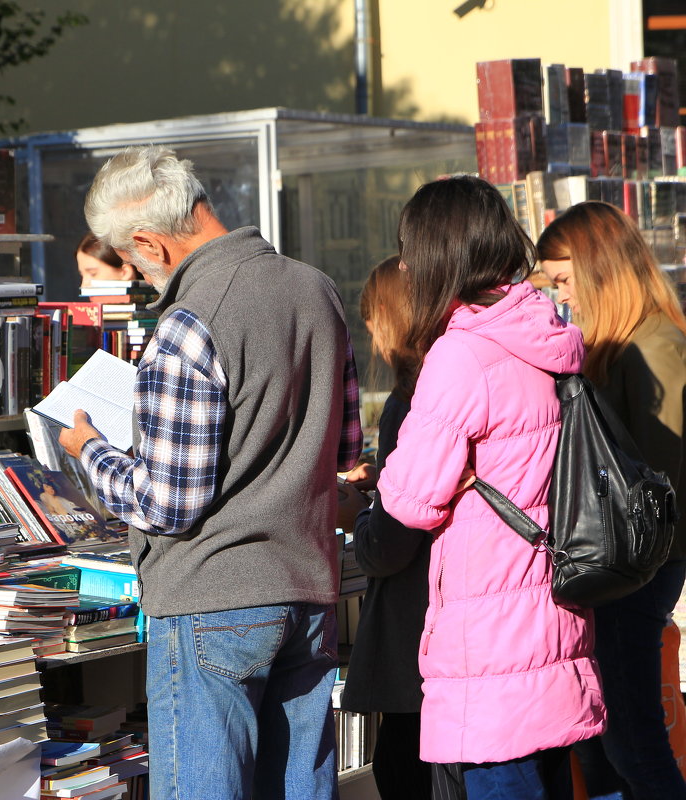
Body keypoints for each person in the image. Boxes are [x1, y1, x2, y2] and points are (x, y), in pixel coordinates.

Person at [58, 145, 362, 799]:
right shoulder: (316, 290)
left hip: (211, 598)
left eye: (133, 262)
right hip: (307, 588)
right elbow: (343, 450)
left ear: (149, 242)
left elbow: (169, 503)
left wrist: (89, 450)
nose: (141, 279)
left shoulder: (185, 327)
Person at [376, 175, 604, 800]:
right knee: (550, 773)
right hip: (552, 604)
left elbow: (409, 499)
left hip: (491, 623)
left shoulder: (463, 353)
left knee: (501, 776)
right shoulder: (547, 332)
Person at [536, 201, 686, 800]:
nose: (562, 299)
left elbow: (656, 485)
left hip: (635, 571)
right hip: (621, 568)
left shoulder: (654, 347)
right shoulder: (625, 342)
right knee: (609, 739)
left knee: (633, 740)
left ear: (600, 268)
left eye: (565, 281)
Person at [341, 256, 466, 800]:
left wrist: (356, 517)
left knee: (402, 767)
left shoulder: (409, 400)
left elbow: (391, 543)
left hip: (419, 634)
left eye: (370, 319)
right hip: (459, 626)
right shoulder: (456, 381)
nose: (368, 334)